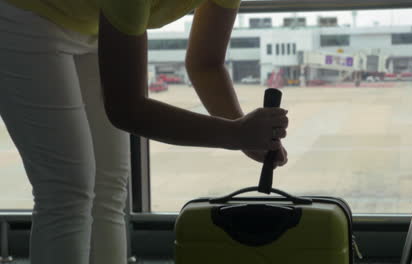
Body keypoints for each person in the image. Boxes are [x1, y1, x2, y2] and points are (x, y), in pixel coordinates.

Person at [0, 0, 289, 263]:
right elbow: (127, 109)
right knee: (67, 189)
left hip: (92, 19)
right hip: (25, 14)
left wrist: (245, 135)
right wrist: (236, 133)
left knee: (110, 185)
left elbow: (205, 63)